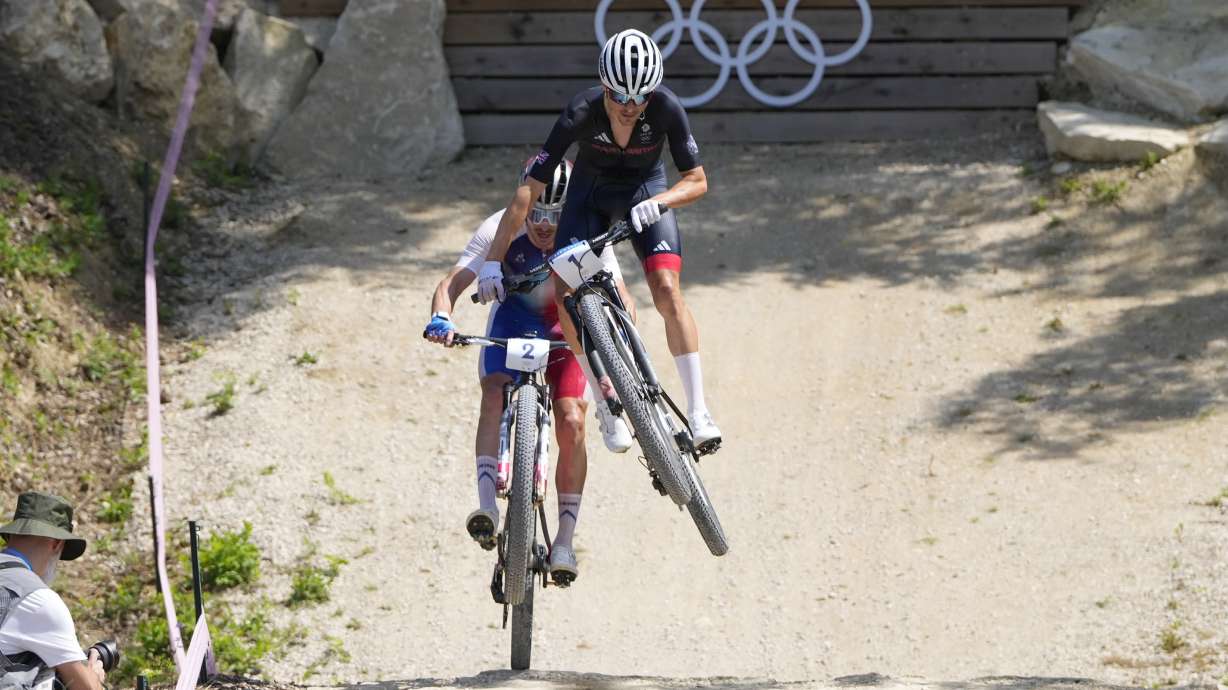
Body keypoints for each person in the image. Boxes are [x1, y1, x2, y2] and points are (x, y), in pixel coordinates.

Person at [475, 28, 721, 452]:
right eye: (620, 97)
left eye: (640, 98)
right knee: (566, 289)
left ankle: (699, 410)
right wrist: (494, 261)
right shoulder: (579, 112)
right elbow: (528, 192)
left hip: (646, 192)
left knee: (666, 290)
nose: (630, 107)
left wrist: (662, 202)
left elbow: (697, 181)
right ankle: (606, 404)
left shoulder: (664, 107)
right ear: (604, 86)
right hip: (589, 197)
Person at [424, 159, 634, 583]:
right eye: (536, 212)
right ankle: (486, 504)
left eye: (554, 216)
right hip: (512, 324)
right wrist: (441, 319)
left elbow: (622, 298)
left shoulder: (586, 231)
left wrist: (618, 344)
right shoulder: (498, 227)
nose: (542, 224)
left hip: (565, 332)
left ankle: (564, 541)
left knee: (573, 419)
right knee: (493, 391)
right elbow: (452, 283)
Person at [0, 492, 105, 690]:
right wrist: (94, 676)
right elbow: (86, 688)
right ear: (57, 544)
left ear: (12, 534)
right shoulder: (37, 599)